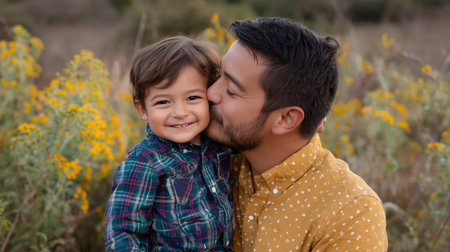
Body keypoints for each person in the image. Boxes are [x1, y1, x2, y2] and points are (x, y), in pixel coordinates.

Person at [206, 17, 388, 251]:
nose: (210, 93)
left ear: (286, 119)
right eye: (217, 76)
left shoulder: (349, 212)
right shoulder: (205, 161)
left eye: (231, 90)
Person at [104, 36, 234, 251]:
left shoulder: (220, 146)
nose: (180, 113)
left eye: (193, 98)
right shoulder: (144, 162)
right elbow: (123, 231)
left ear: (210, 97)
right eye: (163, 102)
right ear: (142, 109)